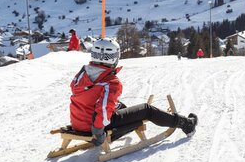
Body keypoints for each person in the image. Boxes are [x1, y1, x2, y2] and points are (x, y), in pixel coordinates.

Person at [69, 37, 197, 146]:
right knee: (147, 109)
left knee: (120, 106)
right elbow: (103, 108)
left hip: (78, 123)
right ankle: (186, 124)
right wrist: (97, 131)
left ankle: (120, 123)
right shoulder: (111, 82)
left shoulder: (82, 74)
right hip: (95, 129)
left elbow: (81, 94)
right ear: (114, 57)